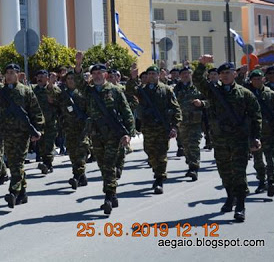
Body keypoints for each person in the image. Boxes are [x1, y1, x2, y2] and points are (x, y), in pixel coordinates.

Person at [192, 56, 262, 222]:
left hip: (239, 140)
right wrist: (202, 64)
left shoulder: (245, 94)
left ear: (234, 74)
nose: (224, 76)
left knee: (239, 172)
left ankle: (240, 205)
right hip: (220, 139)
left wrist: (255, 137)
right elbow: (197, 80)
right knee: (224, 172)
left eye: (228, 72)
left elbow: (256, 115)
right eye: (222, 73)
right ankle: (231, 197)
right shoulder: (214, 91)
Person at [0, 61, 44, 209]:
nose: (9, 76)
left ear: (18, 74)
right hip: (6, 132)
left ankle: (13, 192)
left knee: (17, 163)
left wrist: (38, 130)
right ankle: (23, 193)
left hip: (22, 133)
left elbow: (36, 111)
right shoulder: (0, 90)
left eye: (12, 73)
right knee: (13, 164)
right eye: (7, 73)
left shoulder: (26, 91)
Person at [74, 52, 134, 215]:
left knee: (108, 165)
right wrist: (78, 65)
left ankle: (108, 196)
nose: (97, 76)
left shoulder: (115, 90)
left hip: (113, 134)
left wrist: (128, 133)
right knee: (102, 165)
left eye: (100, 73)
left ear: (106, 75)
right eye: (94, 74)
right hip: (96, 134)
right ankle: (112, 194)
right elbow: (79, 83)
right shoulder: (90, 91)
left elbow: (126, 112)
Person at [125, 64, 181, 195]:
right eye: (149, 74)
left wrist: (175, 127)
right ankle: (157, 171)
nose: (151, 76)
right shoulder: (142, 90)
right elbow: (129, 91)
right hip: (148, 127)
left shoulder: (166, 90)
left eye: (153, 74)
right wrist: (133, 78)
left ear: (158, 75)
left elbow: (176, 108)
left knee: (161, 154)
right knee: (150, 152)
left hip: (162, 128)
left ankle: (159, 179)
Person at [248, 69, 274, 196]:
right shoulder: (247, 94)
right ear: (251, 80)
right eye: (254, 79)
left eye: (259, 79)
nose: (257, 81)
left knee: (271, 158)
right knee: (258, 159)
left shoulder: (270, 94)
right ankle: (261, 181)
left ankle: (271, 180)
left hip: (270, 132)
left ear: (263, 79)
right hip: (254, 133)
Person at [173, 66, 207, 181]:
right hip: (182, 122)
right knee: (185, 145)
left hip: (195, 122)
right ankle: (190, 162)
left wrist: (202, 103)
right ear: (180, 76)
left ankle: (194, 168)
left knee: (193, 144)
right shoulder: (176, 89)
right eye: (183, 74)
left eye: (187, 73)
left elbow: (210, 100)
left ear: (191, 75)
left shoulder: (198, 88)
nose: (185, 75)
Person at [58, 71, 90, 190]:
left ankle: (77, 175)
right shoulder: (63, 94)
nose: (71, 80)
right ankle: (81, 176)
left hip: (82, 127)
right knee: (72, 152)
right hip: (69, 127)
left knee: (81, 151)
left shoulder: (82, 93)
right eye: (68, 78)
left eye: (73, 78)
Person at [31, 70, 61, 174]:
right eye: (38, 76)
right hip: (39, 123)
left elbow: (57, 101)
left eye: (42, 76)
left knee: (48, 144)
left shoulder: (53, 89)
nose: (39, 78)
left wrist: (50, 86)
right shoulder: (33, 90)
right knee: (41, 145)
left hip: (50, 122)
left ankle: (47, 164)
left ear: (47, 78)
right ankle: (47, 163)